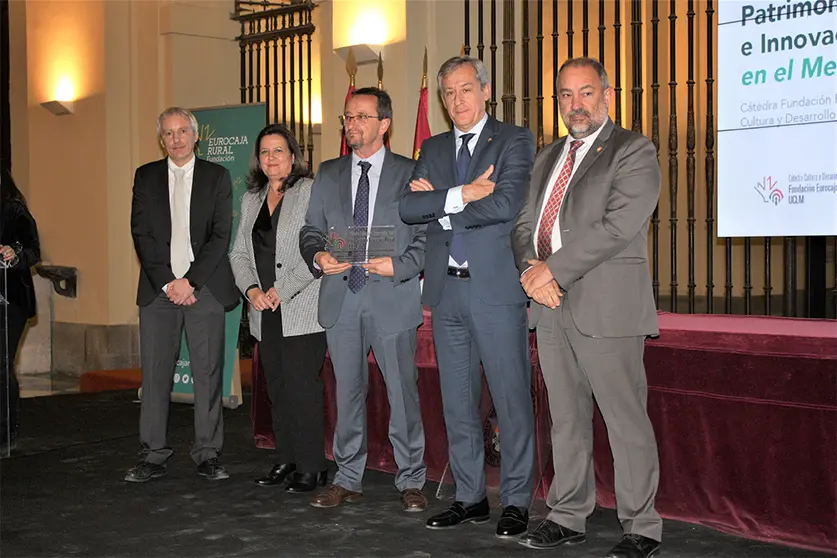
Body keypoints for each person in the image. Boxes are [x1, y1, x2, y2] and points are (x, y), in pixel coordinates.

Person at [511, 57, 662, 558]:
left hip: (608, 308)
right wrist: (533, 271)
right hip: (550, 305)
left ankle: (641, 525)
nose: (575, 104)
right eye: (566, 95)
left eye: (586, 93)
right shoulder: (545, 157)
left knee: (624, 420)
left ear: (608, 95)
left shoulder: (633, 150)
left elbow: (617, 227)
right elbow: (522, 225)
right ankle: (567, 515)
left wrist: (549, 270)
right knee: (566, 419)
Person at [398, 55, 535, 539]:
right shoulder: (432, 147)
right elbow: (408, 207)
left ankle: (516, 501)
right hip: (445, 292)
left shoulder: (515, 139)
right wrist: (462, 195)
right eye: (448, 93)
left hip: (495, 291)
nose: (457, 101)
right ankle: (470, 496)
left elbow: (505, 204)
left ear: (485, 89)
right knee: (457, 403)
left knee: (510, 400)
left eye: (465, 90)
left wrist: (442, 204)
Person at [299, 87, 428, 512]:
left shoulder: (411, 172)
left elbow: (428, 236)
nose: (351, 124)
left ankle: (411, 480)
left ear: (384, 124)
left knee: (402, 393)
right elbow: (311, 231)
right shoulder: (329, 172)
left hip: (391, 295)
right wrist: (317, 255)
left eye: (361, 117)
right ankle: (348, 477)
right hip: (342, 297)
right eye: (347, 117)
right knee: (346, 393)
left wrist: (402, 265)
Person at [126, 106, 239, 483]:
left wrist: (190, 281)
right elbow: (141, 234)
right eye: (169, 133)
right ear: (162, 139)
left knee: (208, 373)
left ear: (195, 136)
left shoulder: (217, 176)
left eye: (182, 132)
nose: (176, 139)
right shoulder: (145, 177)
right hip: (158, 291)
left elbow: (220, 236)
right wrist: (167, 282)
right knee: (156, 373)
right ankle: (153, 453)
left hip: (204, 287)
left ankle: (207, 453)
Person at [229, 124, 328, 492]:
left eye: (278, 151)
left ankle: (313, 464)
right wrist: (252, 290)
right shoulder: (251, 198)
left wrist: (279, 291)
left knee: (304, 387)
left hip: (300, 306)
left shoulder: (308, 191)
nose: (271, 158)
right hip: (264, 310)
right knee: (278, 388)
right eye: (265, 152)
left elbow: (316, 248)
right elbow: (238, 253)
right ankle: (286, 458)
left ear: (293, 155)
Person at [0, 166, 41, 454]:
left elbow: (33, 251)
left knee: (1, 365)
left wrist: (14, 254)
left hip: (9, 301)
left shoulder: (14, 210)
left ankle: (5, 434)